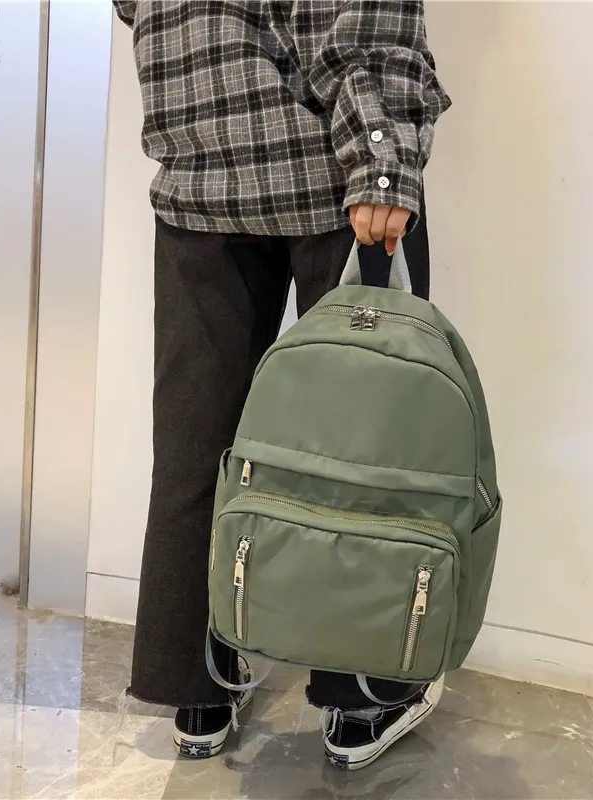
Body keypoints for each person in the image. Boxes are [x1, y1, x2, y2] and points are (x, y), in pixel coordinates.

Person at [113, 0, 451, 769]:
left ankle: (197, 684)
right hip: (326, 169)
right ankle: (363, 695)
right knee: (362, 446)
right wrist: (381, 156)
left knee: (197, 443)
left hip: (197, 162)